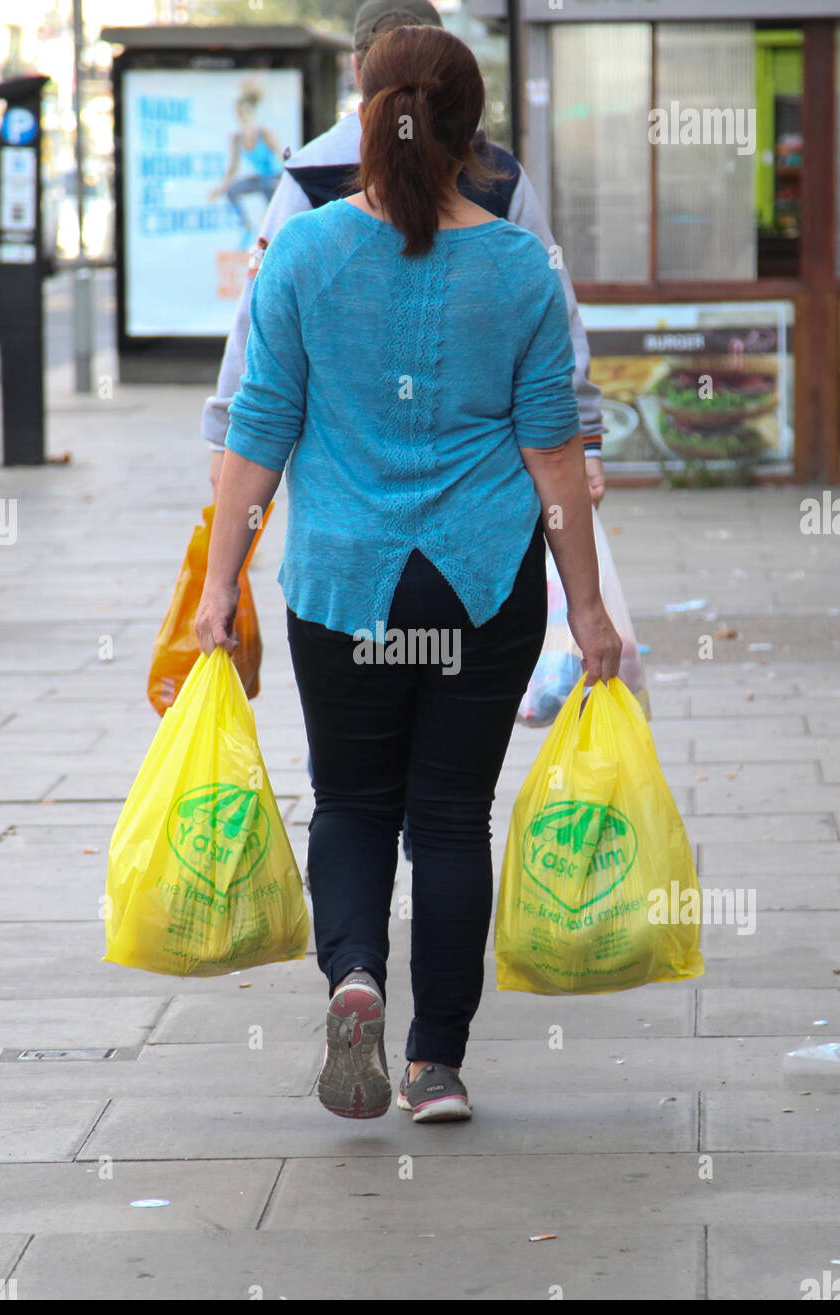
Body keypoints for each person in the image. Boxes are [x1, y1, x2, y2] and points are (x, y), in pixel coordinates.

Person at [195, 22, 621, 1125]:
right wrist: (588, 609)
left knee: (348, 799)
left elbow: (259, 432)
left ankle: (353, 980)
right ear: (473, 129)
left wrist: (215, 588)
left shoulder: (301, 252)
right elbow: (552, 454)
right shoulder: (520, 267)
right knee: (447, 817)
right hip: (478, 583)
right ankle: (436, 1064)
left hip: (342, 583)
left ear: (361, 114)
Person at [201, 0, 605, 506]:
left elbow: (257, 320)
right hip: (487, 503)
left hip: (344, 507)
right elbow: (555, 312)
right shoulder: (499, 175)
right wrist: (584, 435)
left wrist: (225, 435)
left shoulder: (309, 176)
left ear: (357, 72)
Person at [208, 84, 285, 251]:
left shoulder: (265, 134)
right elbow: (232, 170)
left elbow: (284, 160)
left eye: (246, 113)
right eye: (240, 114)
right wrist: (220, 189)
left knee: (271, 218)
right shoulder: (236, 138)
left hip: (274, 180)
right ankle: (247, 227)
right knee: (232, 191)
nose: (244, 118)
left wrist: (285, 182)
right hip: (260, 179)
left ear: (254, 114)